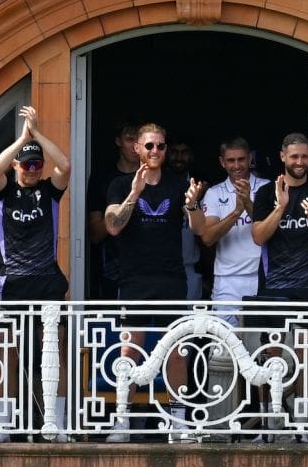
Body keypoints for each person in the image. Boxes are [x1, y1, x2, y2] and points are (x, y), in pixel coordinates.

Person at [103, 123, 205, 443]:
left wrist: (191, 205)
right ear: (137, 149)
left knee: (177, 350)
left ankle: (178, 419)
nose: (156, 152)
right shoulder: (120, 184)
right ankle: (121, 420)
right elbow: (113, 226)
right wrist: (135, 193)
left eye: (160, 146)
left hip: (172, 278)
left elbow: (200, 229)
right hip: (134, 279)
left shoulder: (178, 185)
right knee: (130, 349)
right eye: (149, 146)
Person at [0, 106, 72, 443]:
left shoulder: (49, 190)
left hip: (47, 279)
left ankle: (55, 421)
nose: (34, 169)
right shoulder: (4, 191)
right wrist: (22, 139)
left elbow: (64, 166)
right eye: (28, 164)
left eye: (38, 164)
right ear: (17, 166)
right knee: (7, 348)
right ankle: (4, 424)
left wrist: (38, 136)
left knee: (54, 347)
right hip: (13, 280)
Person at [251, 132, 308, 443]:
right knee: (269, 353)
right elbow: (259, 237)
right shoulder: (265, 193)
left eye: (304, 156)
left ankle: (303, 422)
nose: (299, 162)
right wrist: (281, 206)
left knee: (306, 353)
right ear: (283, 157)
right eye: (294, 157)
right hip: (272, 286)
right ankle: (270, 422)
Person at [200, 137, 269, 326]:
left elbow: (271, 229)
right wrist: (236, 212)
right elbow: (207, 237)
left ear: (250, 159)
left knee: (262, 345)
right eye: (231, 160)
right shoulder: (214, 193)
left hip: (262, 277)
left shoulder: (267, 188)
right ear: (222, 162)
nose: (237, 165)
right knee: (224, 347)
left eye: (241, 159)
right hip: (227, 280)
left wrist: (248, 202)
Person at [86, 118, 140, 299]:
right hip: (111, 265)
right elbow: (95, 234)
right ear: (118, 141)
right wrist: (126, 205)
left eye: (140, 141)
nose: (135, 146)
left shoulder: (157, 177)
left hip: (150, 266)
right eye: (130, 139)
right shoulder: (103, 178)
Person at [167, 138, 207, 300]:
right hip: (161, 269)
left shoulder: (202, 184)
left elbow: (205, 234)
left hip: (189, 267)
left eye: (184, 153)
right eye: (174, 152)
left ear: (191, 156)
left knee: (190, 324)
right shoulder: (157, 181)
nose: (179, 157)